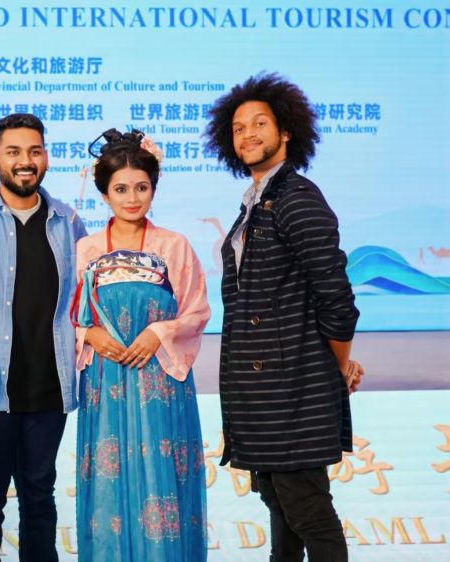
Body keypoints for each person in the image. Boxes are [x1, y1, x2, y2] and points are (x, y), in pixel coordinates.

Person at [203, 73, 364, 562]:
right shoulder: (256, 201)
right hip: (264, 393)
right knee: (279, 503)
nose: (247, 134)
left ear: (287, 131)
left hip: (293, 388)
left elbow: (337, 297)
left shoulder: (297, 197)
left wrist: (337, 365)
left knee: (308, 511)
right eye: (238, 128)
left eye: (260, 123)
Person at [0, 113, 87, 561]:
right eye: (13, 152)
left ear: (46, 158)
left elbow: (84, 299)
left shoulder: (68, 222)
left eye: (34, 151)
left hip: (49, 387)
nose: (25, 161)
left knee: (39, 497)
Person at [72, 129, 209, 561]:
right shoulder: (87, 248)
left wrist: (158, 333)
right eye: (120, 189)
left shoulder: (174, 245)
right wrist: (89, 335)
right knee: (108, 482)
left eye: (141, 187)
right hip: (105, 378)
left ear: (154, 188)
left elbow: (197, 311)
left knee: (162, 475)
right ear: (104, 193)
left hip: (160, 380)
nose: (132, 198)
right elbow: (69, 316)